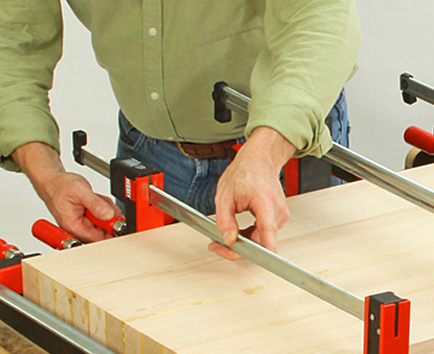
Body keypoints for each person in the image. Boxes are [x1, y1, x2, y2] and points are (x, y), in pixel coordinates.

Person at [0, 1, 361, 259]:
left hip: (278, 145)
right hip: (149, 154)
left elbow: (318, 16)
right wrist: (48, 177)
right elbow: (13, 43)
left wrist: (265, 155)